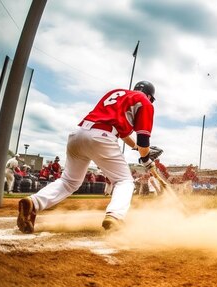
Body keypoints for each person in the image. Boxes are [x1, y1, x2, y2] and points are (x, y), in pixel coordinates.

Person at [17, 81, 158, 233]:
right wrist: (147, 160)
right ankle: (115, 216)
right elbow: (144, 142)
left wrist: (135, 148)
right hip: (102, 136)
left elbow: (123, 134)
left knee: (68, 181)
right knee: (124, 181)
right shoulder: (145, 102)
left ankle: (34, 202)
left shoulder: (117, 93)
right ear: (149, 95)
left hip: (78, 134)